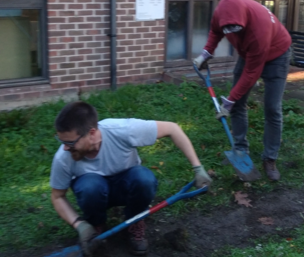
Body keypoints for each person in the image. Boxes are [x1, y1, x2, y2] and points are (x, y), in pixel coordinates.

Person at [50, 101, 211, 256]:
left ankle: (135, 220)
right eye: (62, 141)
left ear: (91, 133)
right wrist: (79, 224)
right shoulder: (63, 157)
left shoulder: (122, 130)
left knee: (144, 178)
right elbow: (57, 197)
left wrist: (198, 169)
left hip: (126, 186)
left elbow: (173, 129)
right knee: (90, 186)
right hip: (94, 192)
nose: (65, 147)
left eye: (70, 142)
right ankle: (94, 226)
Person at [193, 0, 292, 181]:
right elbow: (215, 32)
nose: (232, 33)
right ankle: (240, 149)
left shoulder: (258, 29)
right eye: (229, 29)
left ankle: (270, 158)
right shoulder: (220, 14)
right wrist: (205, 54)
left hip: (276, 54)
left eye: (235, 29)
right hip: (249, 53)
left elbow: (251, 73)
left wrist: (229, 102)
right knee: (238, 104)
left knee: (272, 108)